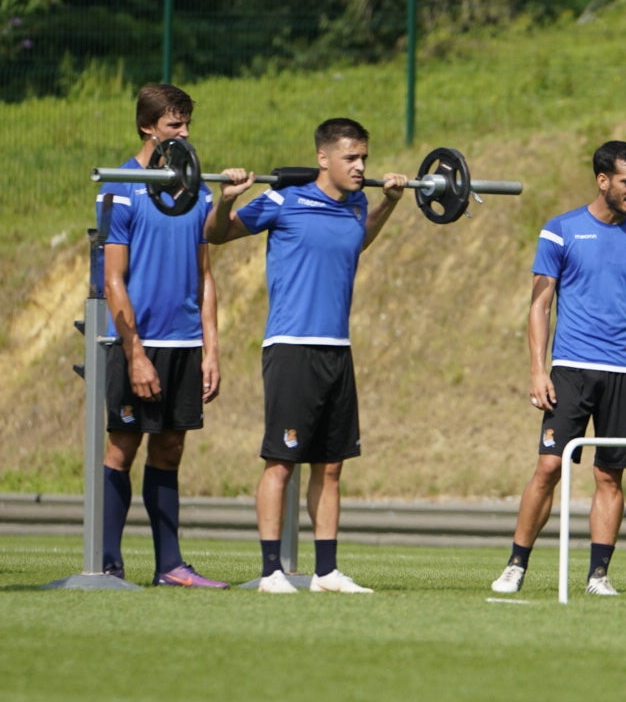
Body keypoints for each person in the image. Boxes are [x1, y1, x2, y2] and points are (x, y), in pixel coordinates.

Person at [206, 117, 406, 594]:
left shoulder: (357, 203)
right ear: (323, 158)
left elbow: (358, 242)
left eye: (364, 159)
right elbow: (217, 235)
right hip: (292, 347)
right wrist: (227, 199)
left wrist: (389, 204)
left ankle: (326, 573)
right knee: (281, 461)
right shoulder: (283, 200)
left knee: (332, 465)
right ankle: (272, 571)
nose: (360, 167)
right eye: (350, 158)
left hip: (337, 348)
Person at [491, 141, 626, 597]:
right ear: (603, 180)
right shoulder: (560, 231)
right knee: (549, 467)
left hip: (624, 375)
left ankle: (598, 576)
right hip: (570, 369)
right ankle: (515, 564)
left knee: (610, 476)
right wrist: (537, 370)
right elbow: (540, 305)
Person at [96, 84, 241, 587]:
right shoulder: (121, 185)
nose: (184, 134)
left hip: (184, 343)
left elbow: (204, 275)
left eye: (187, 125)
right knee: (122, 448)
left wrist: (212, 350)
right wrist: (134, 353)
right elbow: (113, 279)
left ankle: (170, 566)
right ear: (148, 127)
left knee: (170, 450)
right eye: (174, 125)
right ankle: (108, 565)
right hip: (140, 340)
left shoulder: (195, 188)